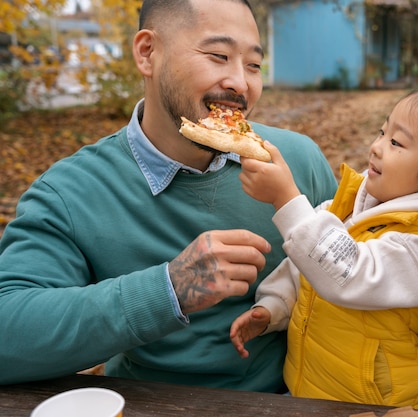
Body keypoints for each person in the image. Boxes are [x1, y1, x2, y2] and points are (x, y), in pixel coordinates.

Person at [0, 0, 339, 391]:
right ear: (148, 53)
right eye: (219, 56)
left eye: (253, 65)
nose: (241, 84)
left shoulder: (296, 160)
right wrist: (167, 291)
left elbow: (356, 274)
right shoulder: (69, 192)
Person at [229, 86, 418, 408]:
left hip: (373, 405)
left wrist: (286, 199)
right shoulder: (363, 202)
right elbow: (307, 261)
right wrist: (273, 306)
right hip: (314, 388)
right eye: (382, 132)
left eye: (396, 142)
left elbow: (348, 273)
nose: (375, 147)